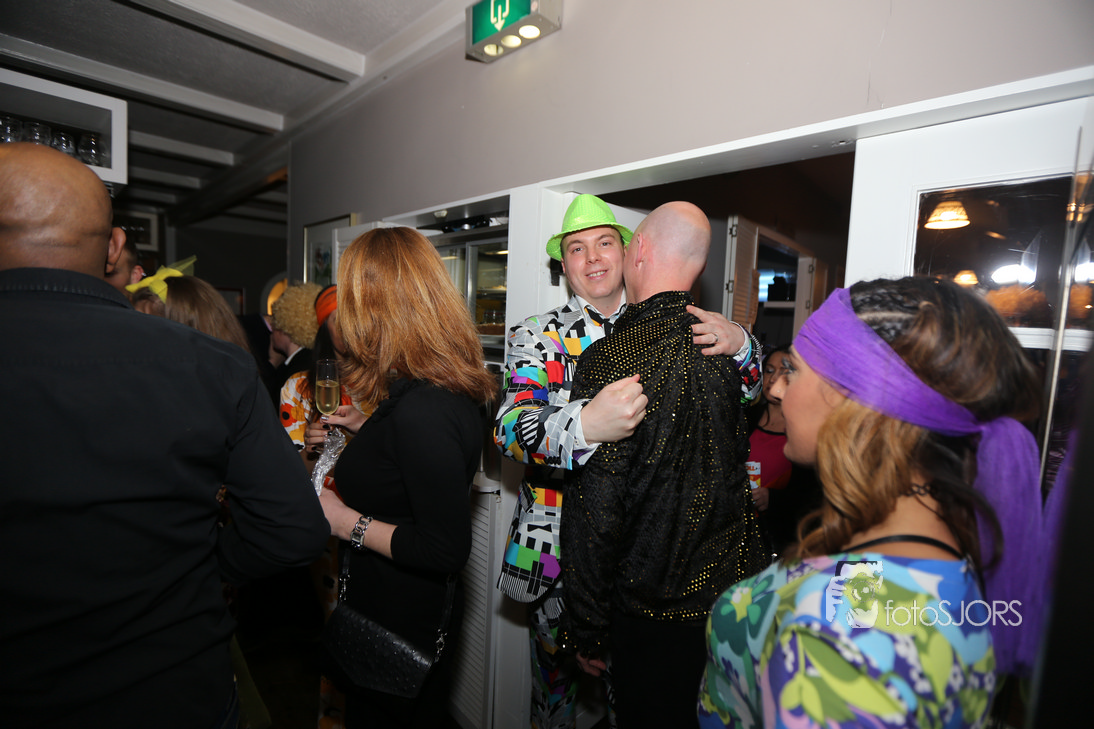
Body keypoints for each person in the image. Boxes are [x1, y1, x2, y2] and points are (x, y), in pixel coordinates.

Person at [0, 142, 330, 727]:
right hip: (174, 690)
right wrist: (206, 565)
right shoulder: (213, 367)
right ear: (114, 247)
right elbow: (294, 530)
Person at [699, 277, 1045, 728]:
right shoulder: (933, 550)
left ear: (857, 400)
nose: (778, 391)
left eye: (795, 371)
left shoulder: (845, 649)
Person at [494, 194, 757, 729]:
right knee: (554, 703)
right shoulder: (536, 334)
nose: (592, 258)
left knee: (636, 704)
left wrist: (744, 346)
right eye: (576, 248)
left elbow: (747, 398)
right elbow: (507, 429)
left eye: (604, 243)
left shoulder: (692, 323)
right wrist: (584, 425)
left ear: (632, 252)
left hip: (654, 568)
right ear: (563, 265)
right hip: (555, 558)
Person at [316, 227, 497, 729]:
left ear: (374, 309)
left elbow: (443, 549)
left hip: (400, 624)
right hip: (392, 611)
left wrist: (343, 522)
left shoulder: (425, 409)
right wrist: (369, 428)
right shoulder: (431, 388)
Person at [745, 344, 823, 557]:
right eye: (769, 370)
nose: (774, 381)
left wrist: (773, 498)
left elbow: (812, 497)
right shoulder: (746, 418)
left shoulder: (806, 432)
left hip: (782, 539)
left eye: (785, 372)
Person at [270, 280, 322, 398]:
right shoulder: (311, 360)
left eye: (274, 322)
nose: (271, 332)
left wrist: (272, 363)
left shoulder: (295, 371)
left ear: (284, 326)